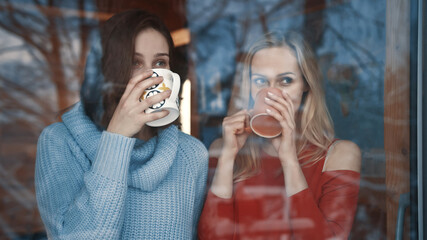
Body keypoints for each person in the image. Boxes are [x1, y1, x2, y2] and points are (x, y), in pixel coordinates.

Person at [35, 9, 208, 239]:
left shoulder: (190, 154)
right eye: (135, 62)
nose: (150, 75)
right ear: (109, 69)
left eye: (160, 62)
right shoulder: (60, 142)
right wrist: (117, 138)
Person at [197, 31, 361, 239]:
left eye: (285, 81)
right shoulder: (223, 148)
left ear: (305, 86)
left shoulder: (339, 155)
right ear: (248, 89)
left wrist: (289, 159)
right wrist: (228, 156)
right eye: (260, 81)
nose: (272, 92)